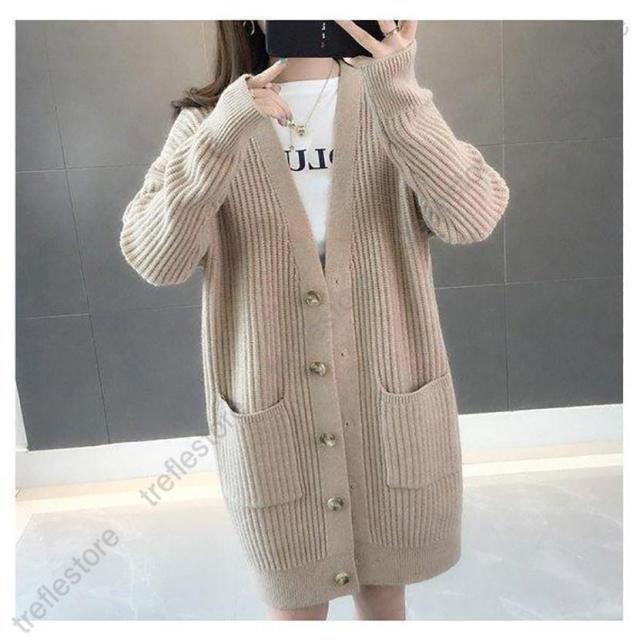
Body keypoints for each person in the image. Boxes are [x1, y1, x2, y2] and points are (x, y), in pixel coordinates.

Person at [120, 19, 509, 620]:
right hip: (274, 421)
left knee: (385, 597)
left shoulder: (388, 101)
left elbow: (473, 217)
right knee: (297, 609)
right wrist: (222, 135)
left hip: (388, 409)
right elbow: (157, 258)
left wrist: (400, 91)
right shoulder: (209, 123)